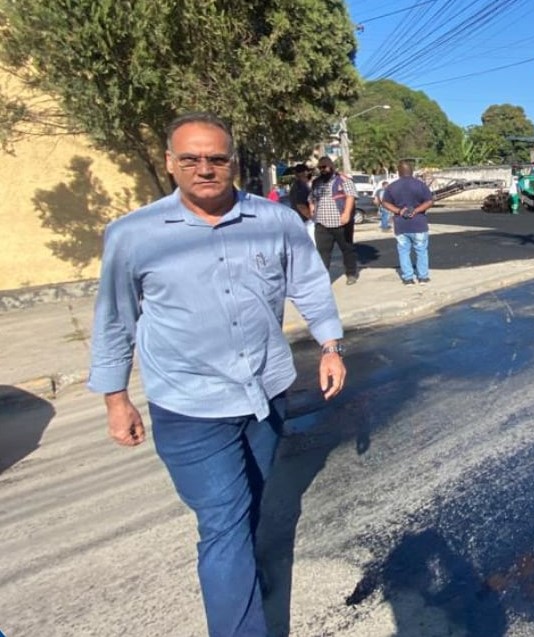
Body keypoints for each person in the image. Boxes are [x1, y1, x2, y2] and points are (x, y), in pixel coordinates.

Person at [87, 112, 347, 637]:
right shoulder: (133, 235)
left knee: (250, 501)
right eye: (190, 159)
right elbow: (115, 319)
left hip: (266, 393)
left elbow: (309, 284)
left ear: (234, 162)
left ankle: (241, 578)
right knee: (224, 522)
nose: (204, 169)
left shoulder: (275, 221)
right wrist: (116, 398)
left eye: (216, 158)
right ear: (170, 163)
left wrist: (330, 346)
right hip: (189, 405)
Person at [381, 159, 435, 284]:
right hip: (419, 224)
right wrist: (416, 210)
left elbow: (385, 203)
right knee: (421, 251)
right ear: (411, 171)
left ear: (399, 172)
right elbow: (429, 201)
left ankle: (408, 278)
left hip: (401, 225)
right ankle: (423, 277)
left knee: (404, 251)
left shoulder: (392, 187)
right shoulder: (420, 185)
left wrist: (399, 211)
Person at [309, 156, 359, 285]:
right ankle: (322, 279)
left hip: (341, 222)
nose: (322, 170)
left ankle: (351, 273)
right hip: (322, 224)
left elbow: (351, 197)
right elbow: (312, 198)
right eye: (320, 168)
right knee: (322, 253)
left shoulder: (343, 180)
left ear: (331, 166)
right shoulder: (316, 182)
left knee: (347, 249)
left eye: (324, 167)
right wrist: (312, 208)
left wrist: (346, 214)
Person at [288, 163, 315, 244]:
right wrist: (312, 218)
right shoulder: (300, 187)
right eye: (308, 171)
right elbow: (301, 205)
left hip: (301, 221)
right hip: (306, 221)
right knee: (312, 245)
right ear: (304, 173)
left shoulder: (298, 186)